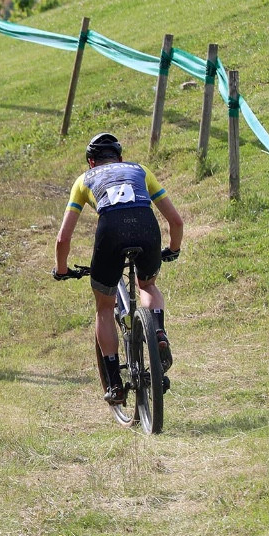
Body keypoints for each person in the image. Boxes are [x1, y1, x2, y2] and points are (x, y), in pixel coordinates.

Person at [53, 132, 184, 405]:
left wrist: (62, 269)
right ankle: (158, 331)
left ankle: (114, 382)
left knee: (104, 306)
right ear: (120, 158)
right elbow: (176, 221)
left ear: (91, 162)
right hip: (146, 226)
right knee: (147, 285)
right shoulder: (140, 170)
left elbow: (63, 239)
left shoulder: (83, 180)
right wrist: (173, 248)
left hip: (111, 231)